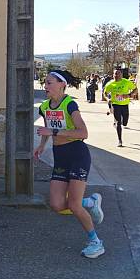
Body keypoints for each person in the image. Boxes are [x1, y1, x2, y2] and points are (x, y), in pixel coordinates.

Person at [34, 69, 105, 259]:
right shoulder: (44, 107)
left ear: (61, 85)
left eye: (49, 83)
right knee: (56, 205)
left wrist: (54, 134)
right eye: (45, 82)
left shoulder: (70, 105)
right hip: (60, 157)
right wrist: (42, 146)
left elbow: (83, 133)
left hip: (77, 155)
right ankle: (90, 202)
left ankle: (96, 242)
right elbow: (47, 129)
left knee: (73, 205)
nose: (45, 86)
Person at [103, 69, 138, 147]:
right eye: (115, 74)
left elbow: (135, 89)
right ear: (113, 75)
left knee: (125, 122)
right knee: (119, 122)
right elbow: (105, 93)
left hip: (125, 104)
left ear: (121, 75)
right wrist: (107, 99)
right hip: (115, 104)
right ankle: (120, 140)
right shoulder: (110, 84)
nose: (116, 75)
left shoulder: (126, 82)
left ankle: (117, 124)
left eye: (118, 74)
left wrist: (129, 95)